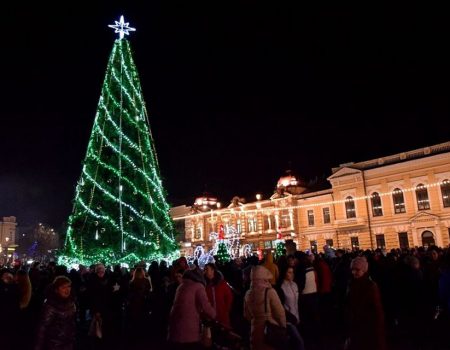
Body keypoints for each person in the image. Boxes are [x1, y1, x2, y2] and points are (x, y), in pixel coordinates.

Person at [167, 267, 216, 349]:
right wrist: (214, 315)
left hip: (175, 327)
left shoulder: (181, 286)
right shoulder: (198, 286)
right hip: (188, 329)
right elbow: (205, 305)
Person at [345, 257, 386, 350]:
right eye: (352, 270)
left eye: (357, 270)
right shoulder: (351, 283)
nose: (354, 272)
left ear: (364, 270)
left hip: (368, 326)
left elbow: (377, 309)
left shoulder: (371, 286)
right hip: (355, 324)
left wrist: (378, 329)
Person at [244, 265, 286, 350]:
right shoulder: (270, 292)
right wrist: (283, 326)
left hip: (254, 333)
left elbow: (246, 315)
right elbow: (280, 313)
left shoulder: (248, 294)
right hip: (270, 332)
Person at [35, 276, 76, 350]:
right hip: (53, 343)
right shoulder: (50, 306)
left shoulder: (71, 303)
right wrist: (38, 346)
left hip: (68, 341)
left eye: (69, 286)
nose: (67, 290)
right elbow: (42, 328)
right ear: (56, 290)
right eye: (63, 287)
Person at [277, 266, 305, 350]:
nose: (292, 274)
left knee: (293, 342)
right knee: (299, 341)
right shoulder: (281, 287)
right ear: (284, 273)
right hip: (288, 319)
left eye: (292, 272)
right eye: (289, 272)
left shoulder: (295, 285)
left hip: (296, 317)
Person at [204, 263, 234, 327]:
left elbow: (229, 297)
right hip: (209, 317)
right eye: (204, 269)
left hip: (222, 314)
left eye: (207, 269)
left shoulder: (221, 283)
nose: (205, 271)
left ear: (213, 270)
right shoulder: (204, 285)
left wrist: (226, 310)